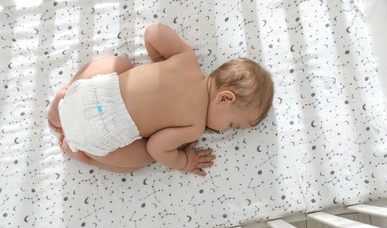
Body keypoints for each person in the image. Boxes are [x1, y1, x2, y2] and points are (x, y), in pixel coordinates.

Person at [48, 24, 274, 176]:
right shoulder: (194, 127)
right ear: (225, 98)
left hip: (91, 94)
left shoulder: (186, 59)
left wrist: (159, 63)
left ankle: (65, 95)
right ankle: (84, 155)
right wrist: (184, 161)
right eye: (233, 124)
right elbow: (157, 147)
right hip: (102, 133)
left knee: (121, 64)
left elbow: (153, 32)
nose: (225, 131)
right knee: (145, 157)